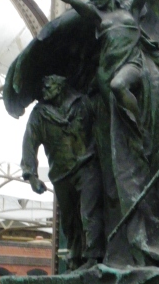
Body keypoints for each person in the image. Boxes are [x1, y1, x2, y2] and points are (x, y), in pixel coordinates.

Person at [34, 0, 159, 132]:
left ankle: (139, 128)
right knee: (112, 118)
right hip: (105, 70)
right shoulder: (98, 17)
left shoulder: (131, 9)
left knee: (119, 86)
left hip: (132, 64)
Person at [21, 75, 104, 271]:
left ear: (61, 85)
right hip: (61, 174)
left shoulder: (82, 103)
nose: (44, 89)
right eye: (43, 86)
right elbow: (29, 144)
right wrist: (31, 176)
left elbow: (102, 126)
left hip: (87, 166)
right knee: (69, 220)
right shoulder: (40, 114)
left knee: (89, 211)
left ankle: (94, 257)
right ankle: (75, 257)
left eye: (48, 85)